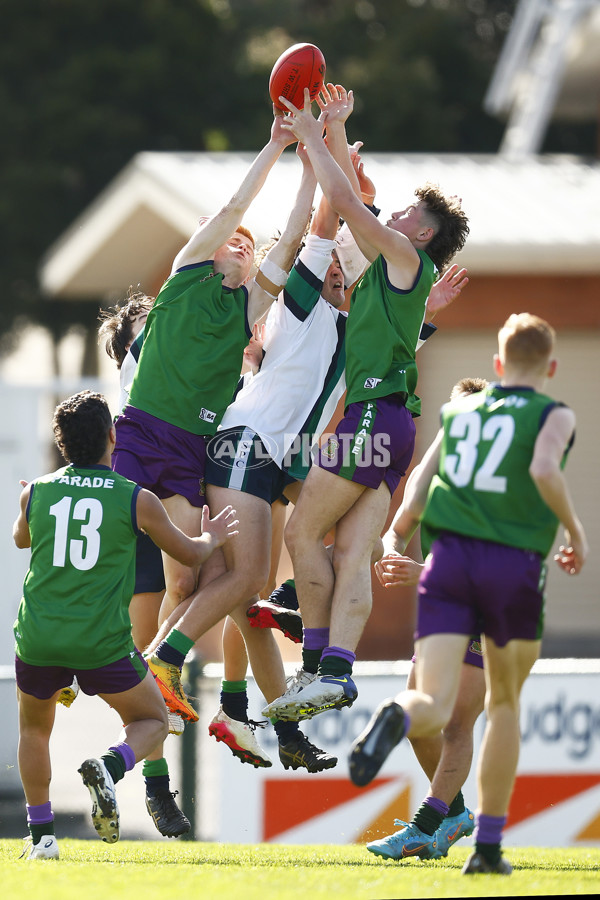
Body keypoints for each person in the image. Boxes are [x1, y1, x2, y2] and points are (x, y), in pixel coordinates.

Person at [348, 313, 588, 876]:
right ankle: (485, 846)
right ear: (549, 369)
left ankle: (407, 745)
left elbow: (409, 505)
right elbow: (545, 470)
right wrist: (574, 533)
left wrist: (393, 544)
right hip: (509, 568)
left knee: (428, 704)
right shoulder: (551, 414)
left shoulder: (456, 415)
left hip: (448, 566)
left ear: (498, 366)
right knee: (498, 710)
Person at [264, 85, 470, 722]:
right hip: (393, 424)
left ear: (424, 231)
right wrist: (335, 154)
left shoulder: (406, 256)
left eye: (408, 213)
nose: (397, 217)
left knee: (301, 532)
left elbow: (348, 204)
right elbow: (354, 209)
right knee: (351, 551)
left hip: (372, 419)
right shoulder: (392, 274)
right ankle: (337, 675)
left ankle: (316, 660)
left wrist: (322, 131)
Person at [110, 106, 296, 737]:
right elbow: (237, 201)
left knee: (192, 577)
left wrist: (318, 166)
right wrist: (276, 145)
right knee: (111, 556)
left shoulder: (250, 307)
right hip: (140, 435)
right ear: (206, 237)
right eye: (230, 233)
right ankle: (83, 660)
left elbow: (293, 238)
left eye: (248, 239)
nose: (240, 238)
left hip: (191, 453)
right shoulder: (186, 273)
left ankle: (156, 674)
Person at [13, 391, 238, 859]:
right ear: (112, 436)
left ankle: (43, 840)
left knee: (34, 732)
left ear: (62, 444)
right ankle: (110, 765)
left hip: (38, 637)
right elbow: (189, 554)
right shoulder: (136, 498)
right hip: (101, 643)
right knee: (153, 719)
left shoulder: (36, 490)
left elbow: (22, 538)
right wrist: (212, 537)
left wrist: (30, 498)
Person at [367, 377, 488, 862]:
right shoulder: (431, 477)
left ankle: (425, 825)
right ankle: (454, 814)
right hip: (441, 611)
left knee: (457, 725)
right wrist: (392, 556)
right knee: (421, 722)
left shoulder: (497, 485)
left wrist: (423, 571)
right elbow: (397, 531)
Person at [98, 294, 191, 837]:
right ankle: (156, 786)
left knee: (161, 647)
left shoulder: (178, 372)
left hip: (168, 508)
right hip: (137, 524)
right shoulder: (135, 376)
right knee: (141, 657)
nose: (157, 321)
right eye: (145, 319)